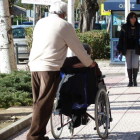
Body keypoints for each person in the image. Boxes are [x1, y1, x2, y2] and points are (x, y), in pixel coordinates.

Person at [27, 1, 95, 140]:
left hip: (34, 66)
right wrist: (89, 63)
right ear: (64, 13)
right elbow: (78, 48)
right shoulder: (64, 25)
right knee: (44, 103)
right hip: (49, 68)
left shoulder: (40, 22)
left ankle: (37, 134)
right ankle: (34, 136)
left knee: (38, 102)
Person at [117, 12, 140, 87]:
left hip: (136, 48)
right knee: (129, 64)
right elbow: (121, 38)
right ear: (129, 18)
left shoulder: (139, 26)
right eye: (132, 17)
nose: (133, 18)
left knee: (135, 64)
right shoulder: (124, 27)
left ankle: (135, 80)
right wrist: (120, 48)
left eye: (134, 17)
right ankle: (130, 81)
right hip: (127, 48)